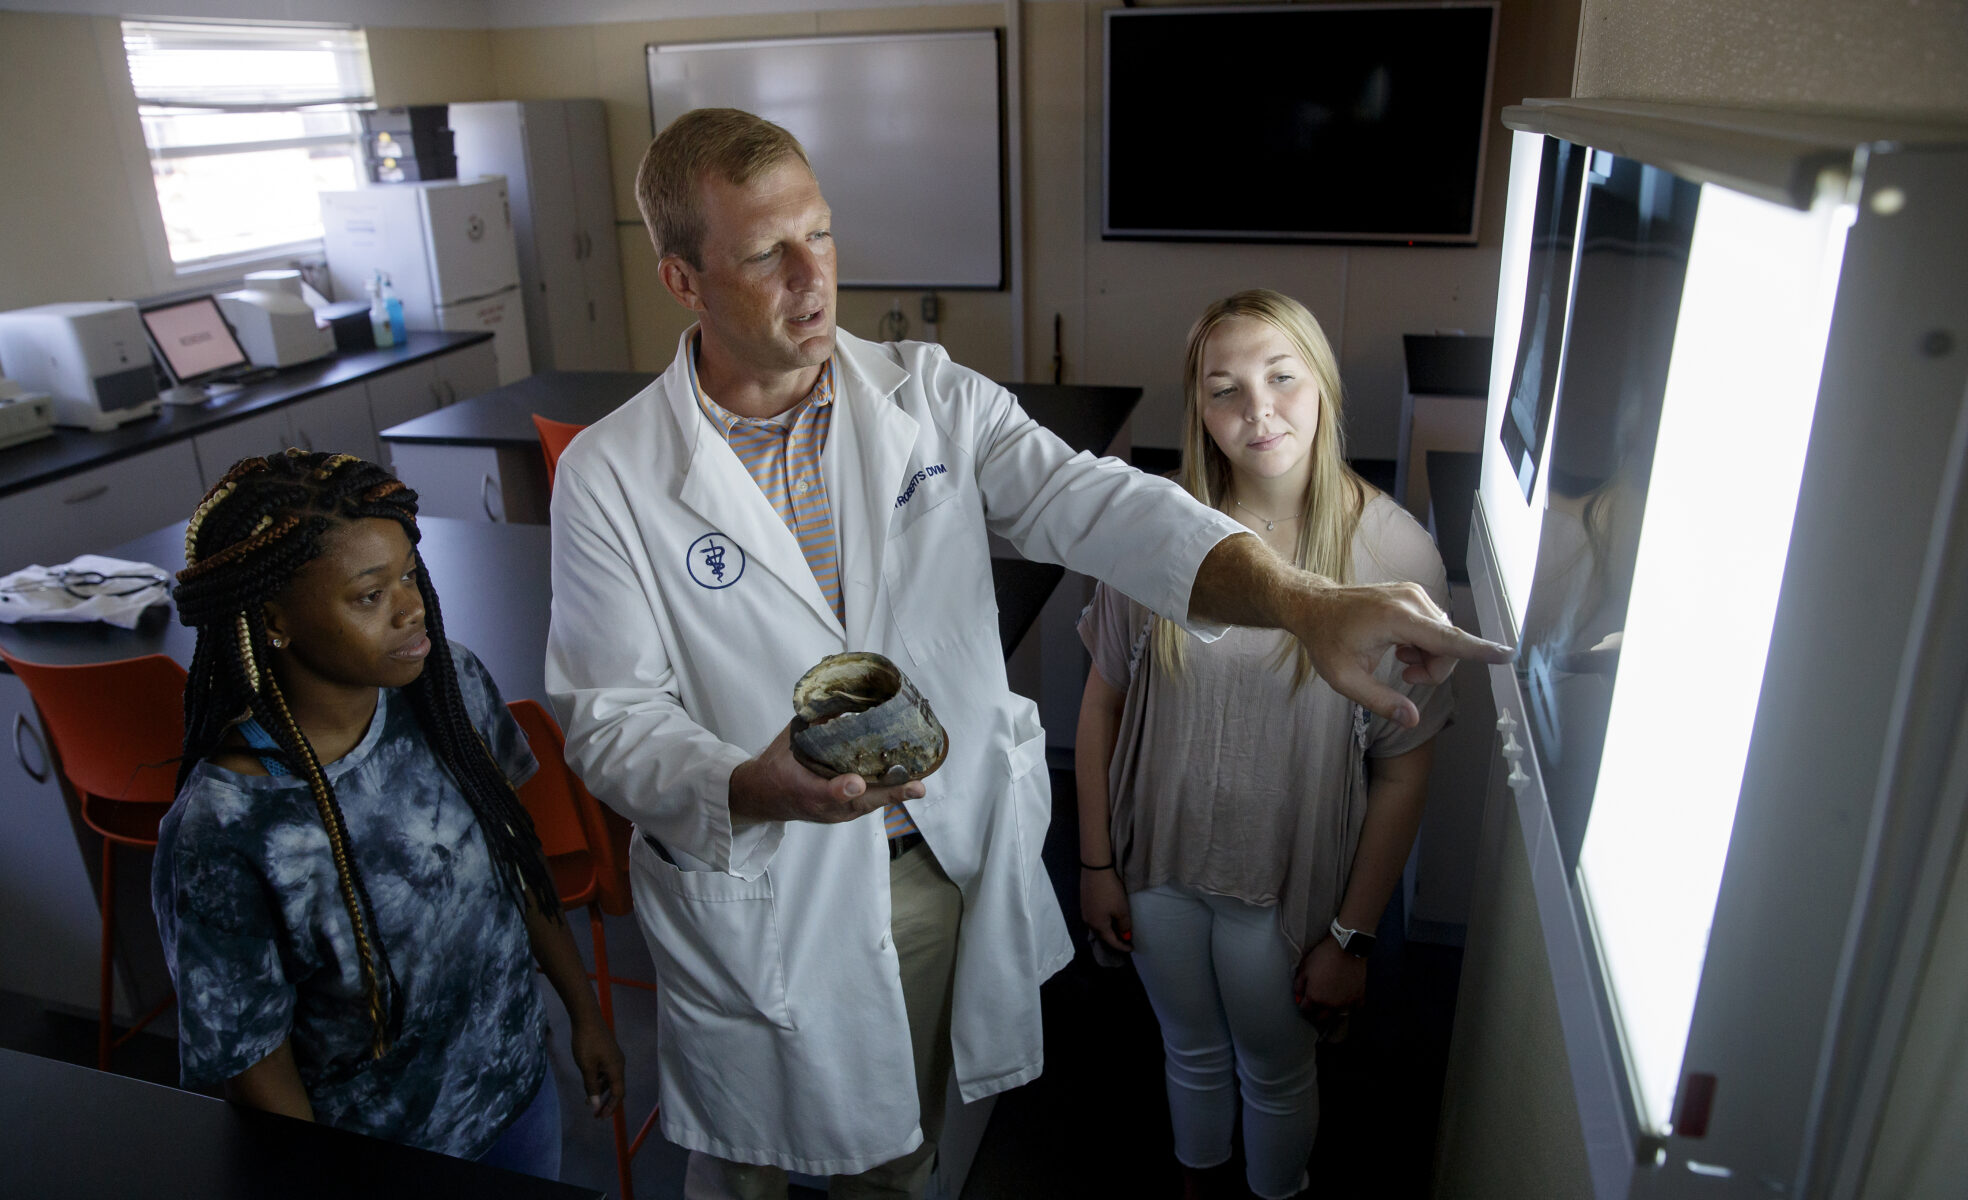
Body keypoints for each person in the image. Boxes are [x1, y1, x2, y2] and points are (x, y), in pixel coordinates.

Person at [545, 109, 1503, 1199]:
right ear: (681, 280)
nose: (816, 278)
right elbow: (608, 718)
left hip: (931, 871)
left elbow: (1096, 505)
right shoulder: (613, 476)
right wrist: (745, 785)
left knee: (906, 1163)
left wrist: (1298, 600)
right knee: (753, 1176)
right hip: (765, 886)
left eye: (821, 234)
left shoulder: (929, 396)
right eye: (767, 252)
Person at [153, 449, 625, 1179]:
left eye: (409, 574)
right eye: (370, 595)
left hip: (517, 1097)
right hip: (378, 1154)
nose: (413, 608)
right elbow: (254, 1061)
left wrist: (583, 1011)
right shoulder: (230, 824)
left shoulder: (449, 685)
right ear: (274, 617)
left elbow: (514, 857)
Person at [1075, 290, 1451, 1199]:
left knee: (1276, 1072)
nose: (1258, 410)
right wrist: (1095, 865)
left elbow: (1403, 770)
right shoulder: (1156, 532)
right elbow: (1101, 709)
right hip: (1159, 865)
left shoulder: (1392, 555)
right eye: (1225, 389)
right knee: (1190, 1051)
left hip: (1288, 887)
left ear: (1320, 384)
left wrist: (1352, 940)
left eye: (1282, 378)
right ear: (1198, 410)